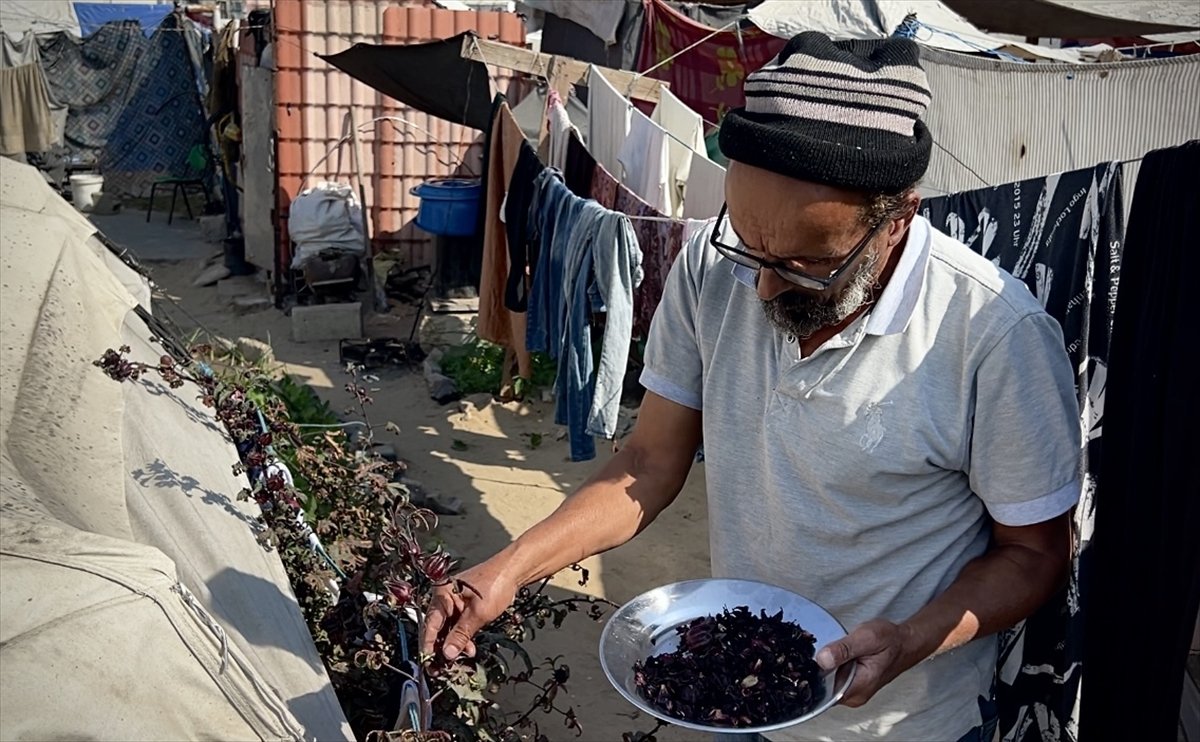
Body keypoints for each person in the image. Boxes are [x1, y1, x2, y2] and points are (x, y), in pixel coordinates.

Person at [421, 32, 1081, 742]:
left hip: (907, 724)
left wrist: (912, 638)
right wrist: (510, 569)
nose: (762, 286)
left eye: (804, 264)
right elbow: (647, 463)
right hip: (751, 702)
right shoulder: (711, 266)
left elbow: (1034, 555)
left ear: (897, 221)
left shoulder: (995, 337)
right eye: (749, 244)